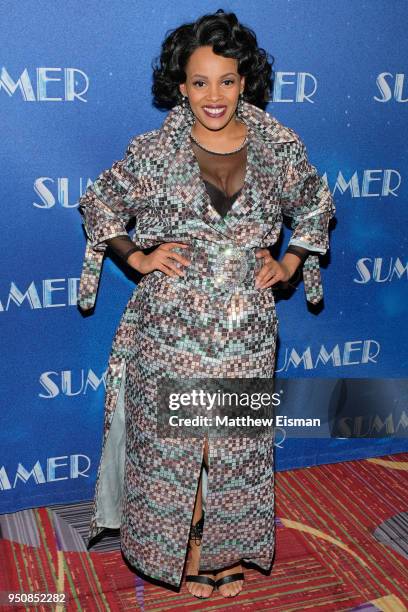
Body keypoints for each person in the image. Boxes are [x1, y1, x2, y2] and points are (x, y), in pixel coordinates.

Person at [77, 9, 336, 600]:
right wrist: (137, 257)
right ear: (181, 85)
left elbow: (317, 203)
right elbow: (100, 202)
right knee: (175, 447)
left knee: (235, 448)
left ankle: (225, 550)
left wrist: (290, 263)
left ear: (245, 81)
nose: (212, 96)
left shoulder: (277, 145)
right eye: (199, 82)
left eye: (225, 80)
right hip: (170, 326)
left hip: (247, 326)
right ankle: (188, 545)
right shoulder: (154, 149)